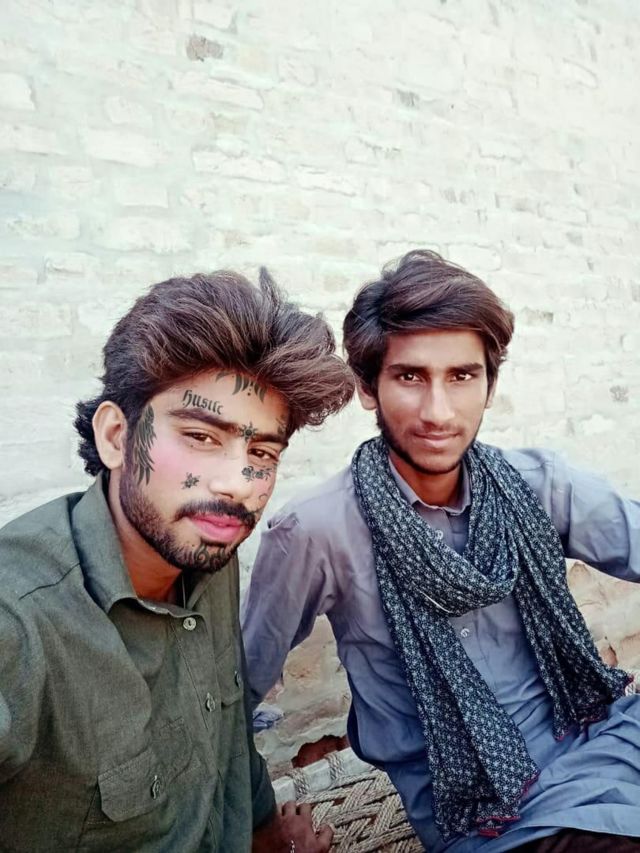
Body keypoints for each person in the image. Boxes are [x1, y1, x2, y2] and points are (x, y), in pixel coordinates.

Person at [242, 250, 640, 852]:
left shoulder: (538, 485)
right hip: (489, 814)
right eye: (410, 377)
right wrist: (263, 829)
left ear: (489, 385)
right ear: (368, 388)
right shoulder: (315, 532)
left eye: (462, 376)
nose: (438, 412)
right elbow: (230, 695)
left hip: (602, 740)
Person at [0, 268, 355, 852]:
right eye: (200, 436)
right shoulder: (19, 622)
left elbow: (229, 738)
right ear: (116, 436)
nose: (238, 483)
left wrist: (270, 838)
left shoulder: (206, 551)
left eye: (262, 452)